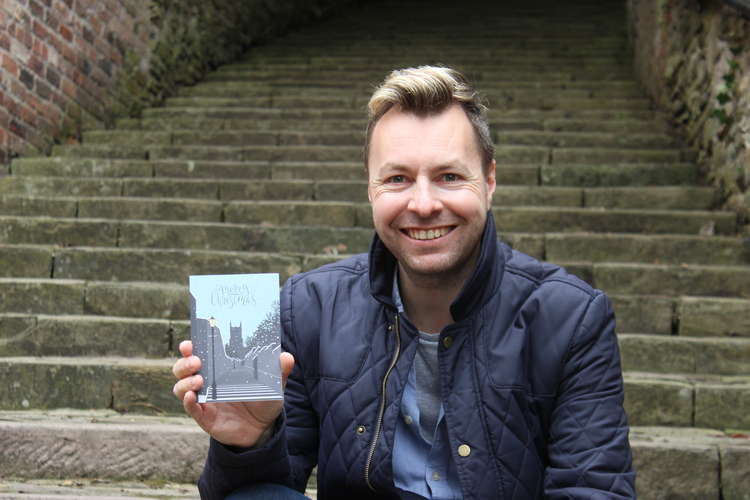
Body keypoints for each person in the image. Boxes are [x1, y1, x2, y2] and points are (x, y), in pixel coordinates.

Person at [173, 66, 636, 499]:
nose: (424, 203)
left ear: (490, 180)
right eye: (397, 179)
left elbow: (593, 487)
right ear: (371, 189)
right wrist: (250, 443)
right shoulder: (307, 306)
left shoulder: (570, 317)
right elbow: (262, 492)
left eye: (449, 176)